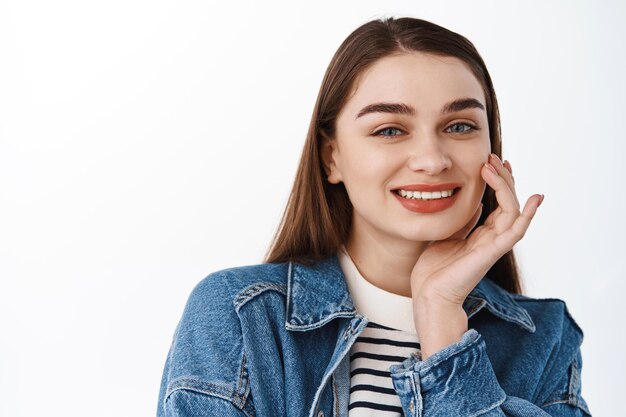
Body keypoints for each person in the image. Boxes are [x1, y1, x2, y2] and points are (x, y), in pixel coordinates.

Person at [156, 16, 591, 417]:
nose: (431, 160)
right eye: (389, 130)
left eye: (460, 126)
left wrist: (440, 319)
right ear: (332, 158)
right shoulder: (242, 317)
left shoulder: (545, 339)